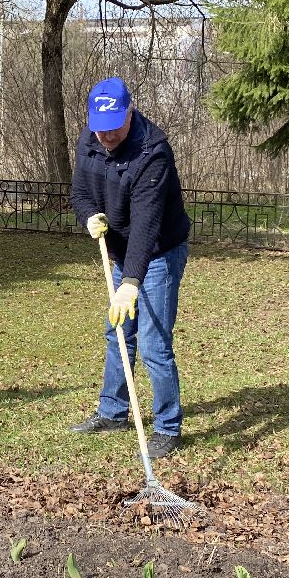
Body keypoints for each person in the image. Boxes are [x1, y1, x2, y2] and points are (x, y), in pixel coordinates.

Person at [69, 77, 191, 457]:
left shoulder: (152, 152)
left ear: (130, 112)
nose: (105, 136)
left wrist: (132, 281)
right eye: (99, 129)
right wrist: (89, 215)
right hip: (120, 250)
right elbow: (79, 192)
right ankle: (113, 412)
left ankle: (168, 428)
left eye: (113, 128)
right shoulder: (89, 140)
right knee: (118, 333)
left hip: (158, 253)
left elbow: (146, 224)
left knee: (154, 344)